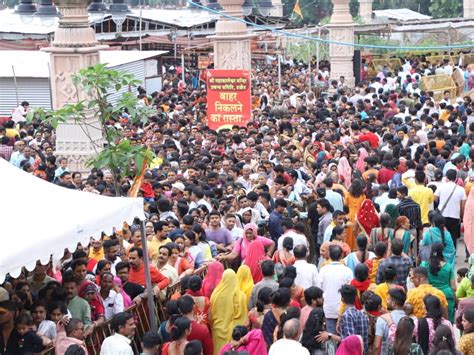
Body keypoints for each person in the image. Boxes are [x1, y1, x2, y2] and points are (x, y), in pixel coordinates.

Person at [210, 269, 247, 354]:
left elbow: (212, 313)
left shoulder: (215, 294)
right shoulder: (241, 296)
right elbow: (242, 315)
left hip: (218, 330)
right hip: (234, 332)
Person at [319, 245, 353, 334]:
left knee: (331, 338)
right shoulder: (347, 271)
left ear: (329, 255)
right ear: (342, 256)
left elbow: (320, 289)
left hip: (328, 307)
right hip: (344, 310)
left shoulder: (323, 270)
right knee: (343, 337)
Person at [420, 242, 456, 322]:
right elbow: (453, 287)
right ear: (442, 252)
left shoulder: (424, 265)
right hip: (447, 296)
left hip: (430, 297)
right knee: (447, 322)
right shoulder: (448, 267)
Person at [434, 169, 466, 250]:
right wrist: (461, 216)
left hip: (442, 215)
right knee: (453, 237)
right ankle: (452, 255)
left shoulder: (441, 187)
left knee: (441, 235)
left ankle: (441, 254)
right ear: (456, 178)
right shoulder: (461, 189)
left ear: (446, 177)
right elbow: (463, 206)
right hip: (455, 216)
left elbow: (435, 199)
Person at [373, 288, 407, 355]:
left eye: (388, 299)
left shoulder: (382, 319)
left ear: (393, 303)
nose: (386, 301)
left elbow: (376, 346)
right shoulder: (409, 320)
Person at [339, 284, 369, 353]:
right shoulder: (363, 314)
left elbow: (350, 341)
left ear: (342, 299)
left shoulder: (347, 315)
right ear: (356, 298)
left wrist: (331, 336)